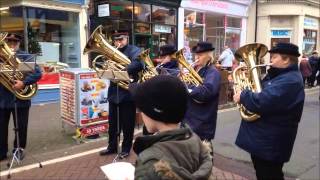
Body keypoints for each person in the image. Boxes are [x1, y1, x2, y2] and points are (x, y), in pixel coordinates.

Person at [233, 42, 305, 180]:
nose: (270, 60)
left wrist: (242, 95)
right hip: (265, 142)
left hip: (271, 144)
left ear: (286, 60)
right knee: (264, 174)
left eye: (274, 57)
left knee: (269, 175)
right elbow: (262, 92)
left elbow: (263, 101)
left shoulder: (290, 81)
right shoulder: (280, 76)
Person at [130, 75, 213, 179]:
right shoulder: (195, 140)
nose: (141, 113)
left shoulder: (149, 162)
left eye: (141, 108)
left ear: (153, 113)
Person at [99, 29, 144, 159]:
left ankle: (125, 149)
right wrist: (105, 67)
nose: (118, 42)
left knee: (127, 124)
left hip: (127, 92)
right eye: (116, 40)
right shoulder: (112, 51)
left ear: (127, 39)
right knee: (113, 123)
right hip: (114, 92)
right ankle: (112, 147)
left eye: (121, 39)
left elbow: (138, 64)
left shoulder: (134, 50)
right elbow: (104, 65)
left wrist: (122, 69)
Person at [0, 33, 42, 161]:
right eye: (9, 42)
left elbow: (37, 74)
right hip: (2, 99)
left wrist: (23, 83)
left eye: (14, 42)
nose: (12, 44)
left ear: (19, 43)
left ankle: (19, 149)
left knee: (21, 126)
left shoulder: (25, 57)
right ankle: (1, 152)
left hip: (20, 99)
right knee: (1, 127)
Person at [184, 42, 221, 141]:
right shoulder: (194, 69)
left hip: (202, 123)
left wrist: (185, 85)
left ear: (209, 56)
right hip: (188, 119)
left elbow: (206, 93)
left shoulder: (213, 72)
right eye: (196, 54)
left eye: (200, 55)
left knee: (203, 154)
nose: (196, 57)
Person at [141, 44, 179, 135]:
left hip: (166, 109)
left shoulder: (176, 70)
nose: (161, 60)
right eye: (160, 57)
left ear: (172, 57)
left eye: (164, 57)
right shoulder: (159, 68)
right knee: (147, 132)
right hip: (154, 106)